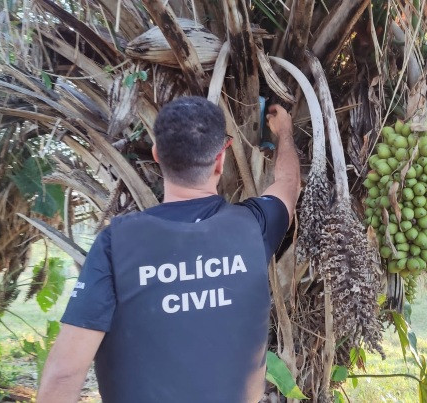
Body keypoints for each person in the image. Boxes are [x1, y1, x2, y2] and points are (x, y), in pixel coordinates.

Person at [37, 96, 300, 403]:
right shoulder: (255, 226)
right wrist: (284, 132)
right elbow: (289, 184)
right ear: (220, 158)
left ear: (157, 154)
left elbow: (65, 373)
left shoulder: (116, 242)